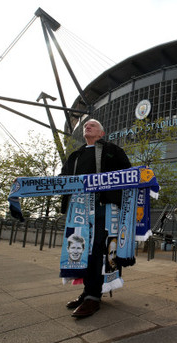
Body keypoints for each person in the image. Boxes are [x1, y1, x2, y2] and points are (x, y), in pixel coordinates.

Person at [61, 118, 131, 318]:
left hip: (103, 209)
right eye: (85, 125)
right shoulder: (75, 156)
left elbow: (128, 174)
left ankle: (93, 296)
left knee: (99, 248)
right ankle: (88, 291)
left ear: (101, 133)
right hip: (79, 211)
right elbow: (61, 179)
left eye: (92, 125)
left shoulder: (112, 150)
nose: (87, 126)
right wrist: (26, 184)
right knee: (82, 249)